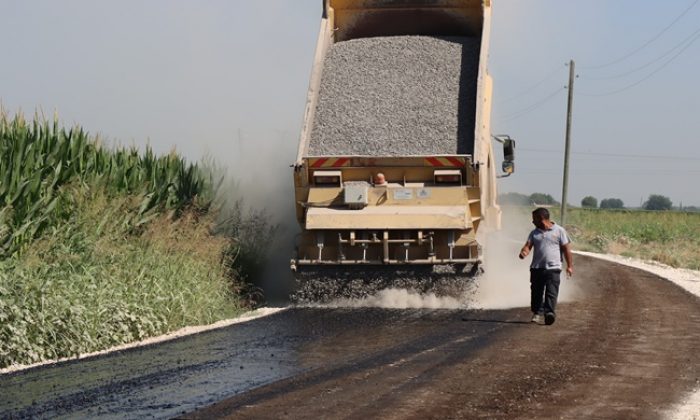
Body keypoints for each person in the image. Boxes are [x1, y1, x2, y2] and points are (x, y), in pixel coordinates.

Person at [518, 207, 573, 325]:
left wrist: (569, 266)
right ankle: (537, 313)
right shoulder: (534, 233)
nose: (533, 222)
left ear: (541, 218)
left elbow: (566, 249)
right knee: (536, 292)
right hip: (537, 268)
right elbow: (528, 246)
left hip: (554, 268)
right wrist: (524, 252)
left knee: (551, 291)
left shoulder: (559, 231)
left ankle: (549, 313)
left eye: (534, 219)